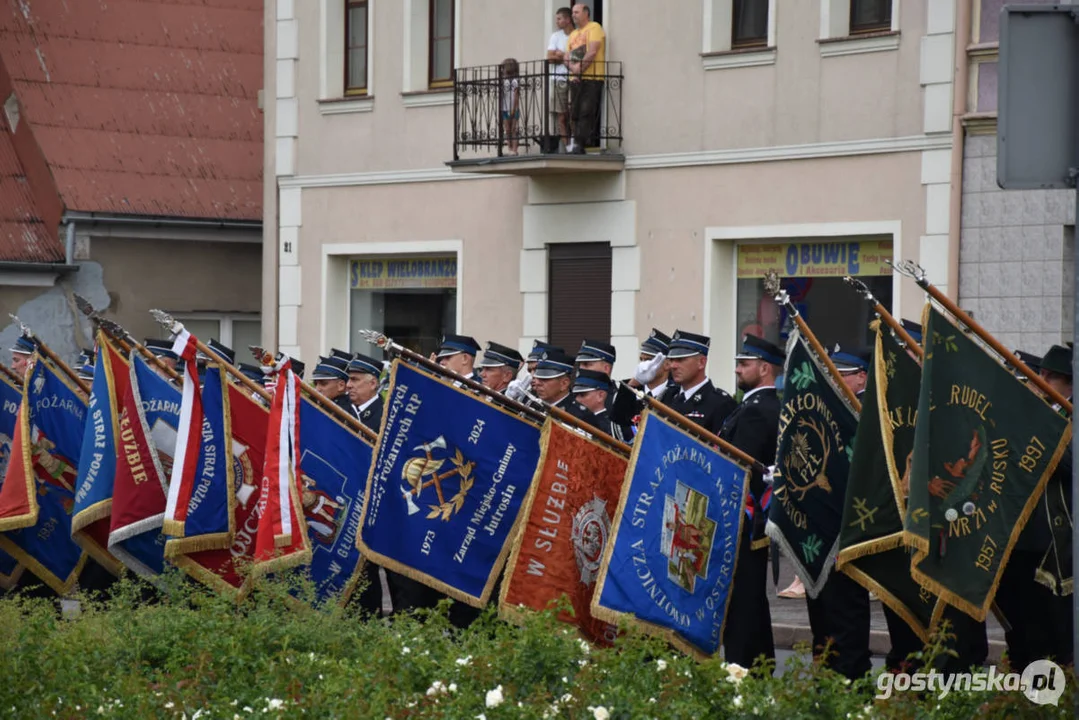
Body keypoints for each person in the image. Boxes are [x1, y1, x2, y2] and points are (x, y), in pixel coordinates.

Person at [996, 342, 1074, 668]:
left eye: (1046, 377)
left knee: (1053, 630)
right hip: (1017, 536)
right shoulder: (1037, 411)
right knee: (1021, 626)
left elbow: (1069, 466)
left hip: (1053, 543)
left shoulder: (1062, 414)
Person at [717, 334, 783, 669]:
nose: (738, 370)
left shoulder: (760, 411)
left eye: (744, 364)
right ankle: (759, 666)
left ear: (765, 368)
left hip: (745, 519)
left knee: (743, 599)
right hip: (748, 520)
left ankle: (742, 667)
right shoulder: (753, 406)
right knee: (751, 599)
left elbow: (739, 466)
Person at [663, 330, 736, 435]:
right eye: (671, 360)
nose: (673, 366)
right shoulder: (669, 396)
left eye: (680, 360)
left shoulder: (721, 403)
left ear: (701, 362)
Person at [610, 329, 673, 433]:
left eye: (649, 360)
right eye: (641, 360)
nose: (643, 365)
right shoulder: (629, 389)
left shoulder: (674, 393)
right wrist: (634, 383)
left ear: (666, 364)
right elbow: (617, 422)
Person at [566, 3, 606, 154]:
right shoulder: (573, 34)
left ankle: (580, 144)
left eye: (576, 12)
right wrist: (573, 69)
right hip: (575, 79)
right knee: (574, 112)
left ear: (586, 13)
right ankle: (575, 142)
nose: (573, 15)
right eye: (572, 12)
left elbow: (593, 51)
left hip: (592, 77)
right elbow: (566, 56)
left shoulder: (594, 27)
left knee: (586, 110)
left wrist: (579, 69)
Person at [531, 348, 591, 421]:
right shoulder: (533, 405)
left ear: (564, 384)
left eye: (545, 379)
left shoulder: (580, 415)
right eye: (538, 378)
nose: (537, 383)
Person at [545, 7, 573, 152]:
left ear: (568, 20)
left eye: (559, 19)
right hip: (558, 79)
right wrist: (566, 56)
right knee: (561, 115)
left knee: (573, 113)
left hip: (574, 78)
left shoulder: (577, 35)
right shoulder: (555, 36)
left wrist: (561, 56)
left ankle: (575, 143)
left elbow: (579, 57)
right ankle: (568, 146)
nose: (557, 22)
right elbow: (550, 57)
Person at [571, 368, 623, 440]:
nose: (577, 399)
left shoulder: (610, 426)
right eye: (575, 395)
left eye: (582, 394)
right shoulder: (572, 416)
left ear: (600, 396)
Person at [346, 353, 385, 430]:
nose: (348, 385)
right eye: (348, 379)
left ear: (372, 384)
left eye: (354, 379)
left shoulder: (386, 416)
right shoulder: (342, 408)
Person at [500, 58, 521, 156]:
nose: (502, 70)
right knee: (507, 129)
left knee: (513, 129)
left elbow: (516, 95)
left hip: (513, 108)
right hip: (504, 108)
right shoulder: (503, 81)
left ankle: (514, 149)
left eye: (503, 68)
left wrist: (514, 108)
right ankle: (509, 148)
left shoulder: (514, 81)